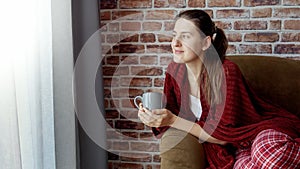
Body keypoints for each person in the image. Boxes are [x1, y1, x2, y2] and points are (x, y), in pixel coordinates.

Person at [138, 9, 300, 169]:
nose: (175, 43)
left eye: (185, 36)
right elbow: (173, 115)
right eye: (174, 35)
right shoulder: (175, 72)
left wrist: (172, 119)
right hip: (237, 147)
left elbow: (221, 134)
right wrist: (153, 117)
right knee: (245, 166)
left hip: (259, 133)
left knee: (265, 155)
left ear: (206, 42)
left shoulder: (226, 71)